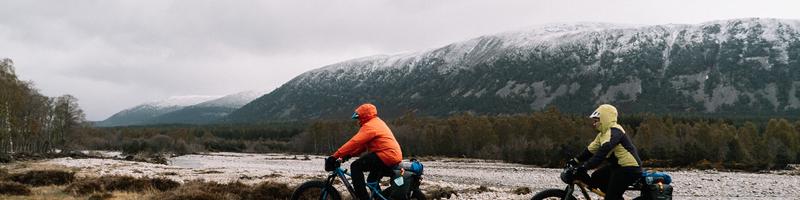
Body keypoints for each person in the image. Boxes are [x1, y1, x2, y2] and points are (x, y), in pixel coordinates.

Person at [326, 103, 403, 200]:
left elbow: (354, 142)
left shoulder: (369, 126)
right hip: (391, 155)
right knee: (371, 180)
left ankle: (362, 198)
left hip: (386, 155)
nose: (358, 121)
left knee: (356, 166)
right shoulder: (377, 122)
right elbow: (363, 147)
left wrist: (334, 156)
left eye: (359, 118)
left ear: (364, 116)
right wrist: (349, 155)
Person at [567, 104, 642, 200]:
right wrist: (575, 161)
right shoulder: (602, 134)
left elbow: (603, 151)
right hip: (618, 166)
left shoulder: (615, 131)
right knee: (597, 177)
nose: (594, 123)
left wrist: (585, 166)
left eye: (596, 120)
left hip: (630, 168)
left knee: (611, 197)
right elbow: (590, 151)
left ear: (605, 119)